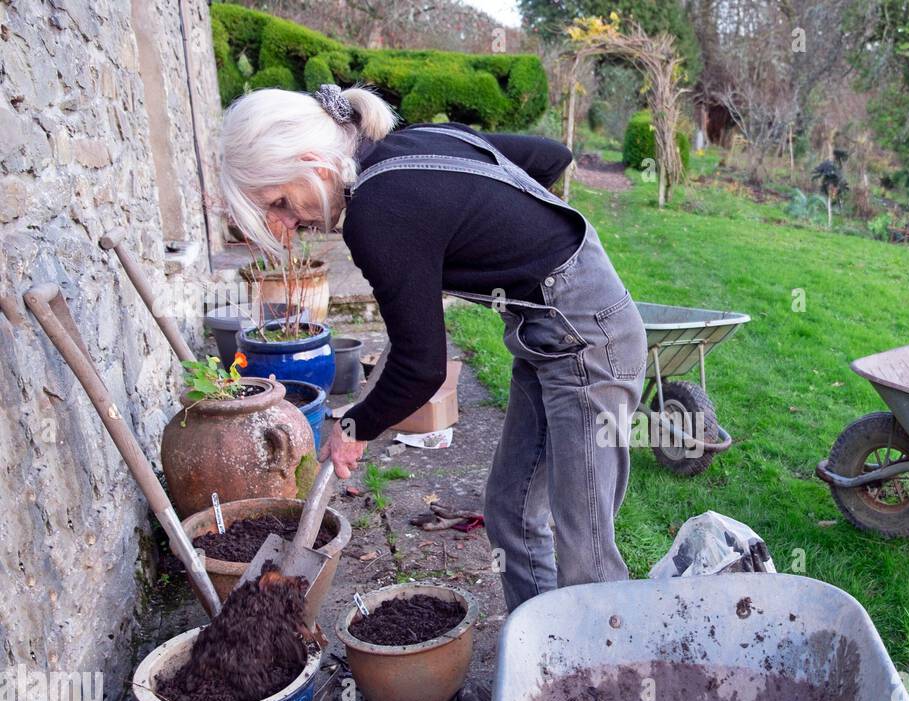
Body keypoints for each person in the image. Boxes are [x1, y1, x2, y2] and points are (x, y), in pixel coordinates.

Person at [219, 84, 647, 611]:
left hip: (590, 342)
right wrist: (495, 241)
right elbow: (548, 157)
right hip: (548, 334)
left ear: (312, 162)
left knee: (586, 555)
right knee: (511, 515)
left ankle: (603, 680)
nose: (285, 224)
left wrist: (353, 427)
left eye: (280, 203)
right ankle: (544, 657)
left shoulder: (378, 213)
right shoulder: (414, 144)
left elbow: (422, 369)